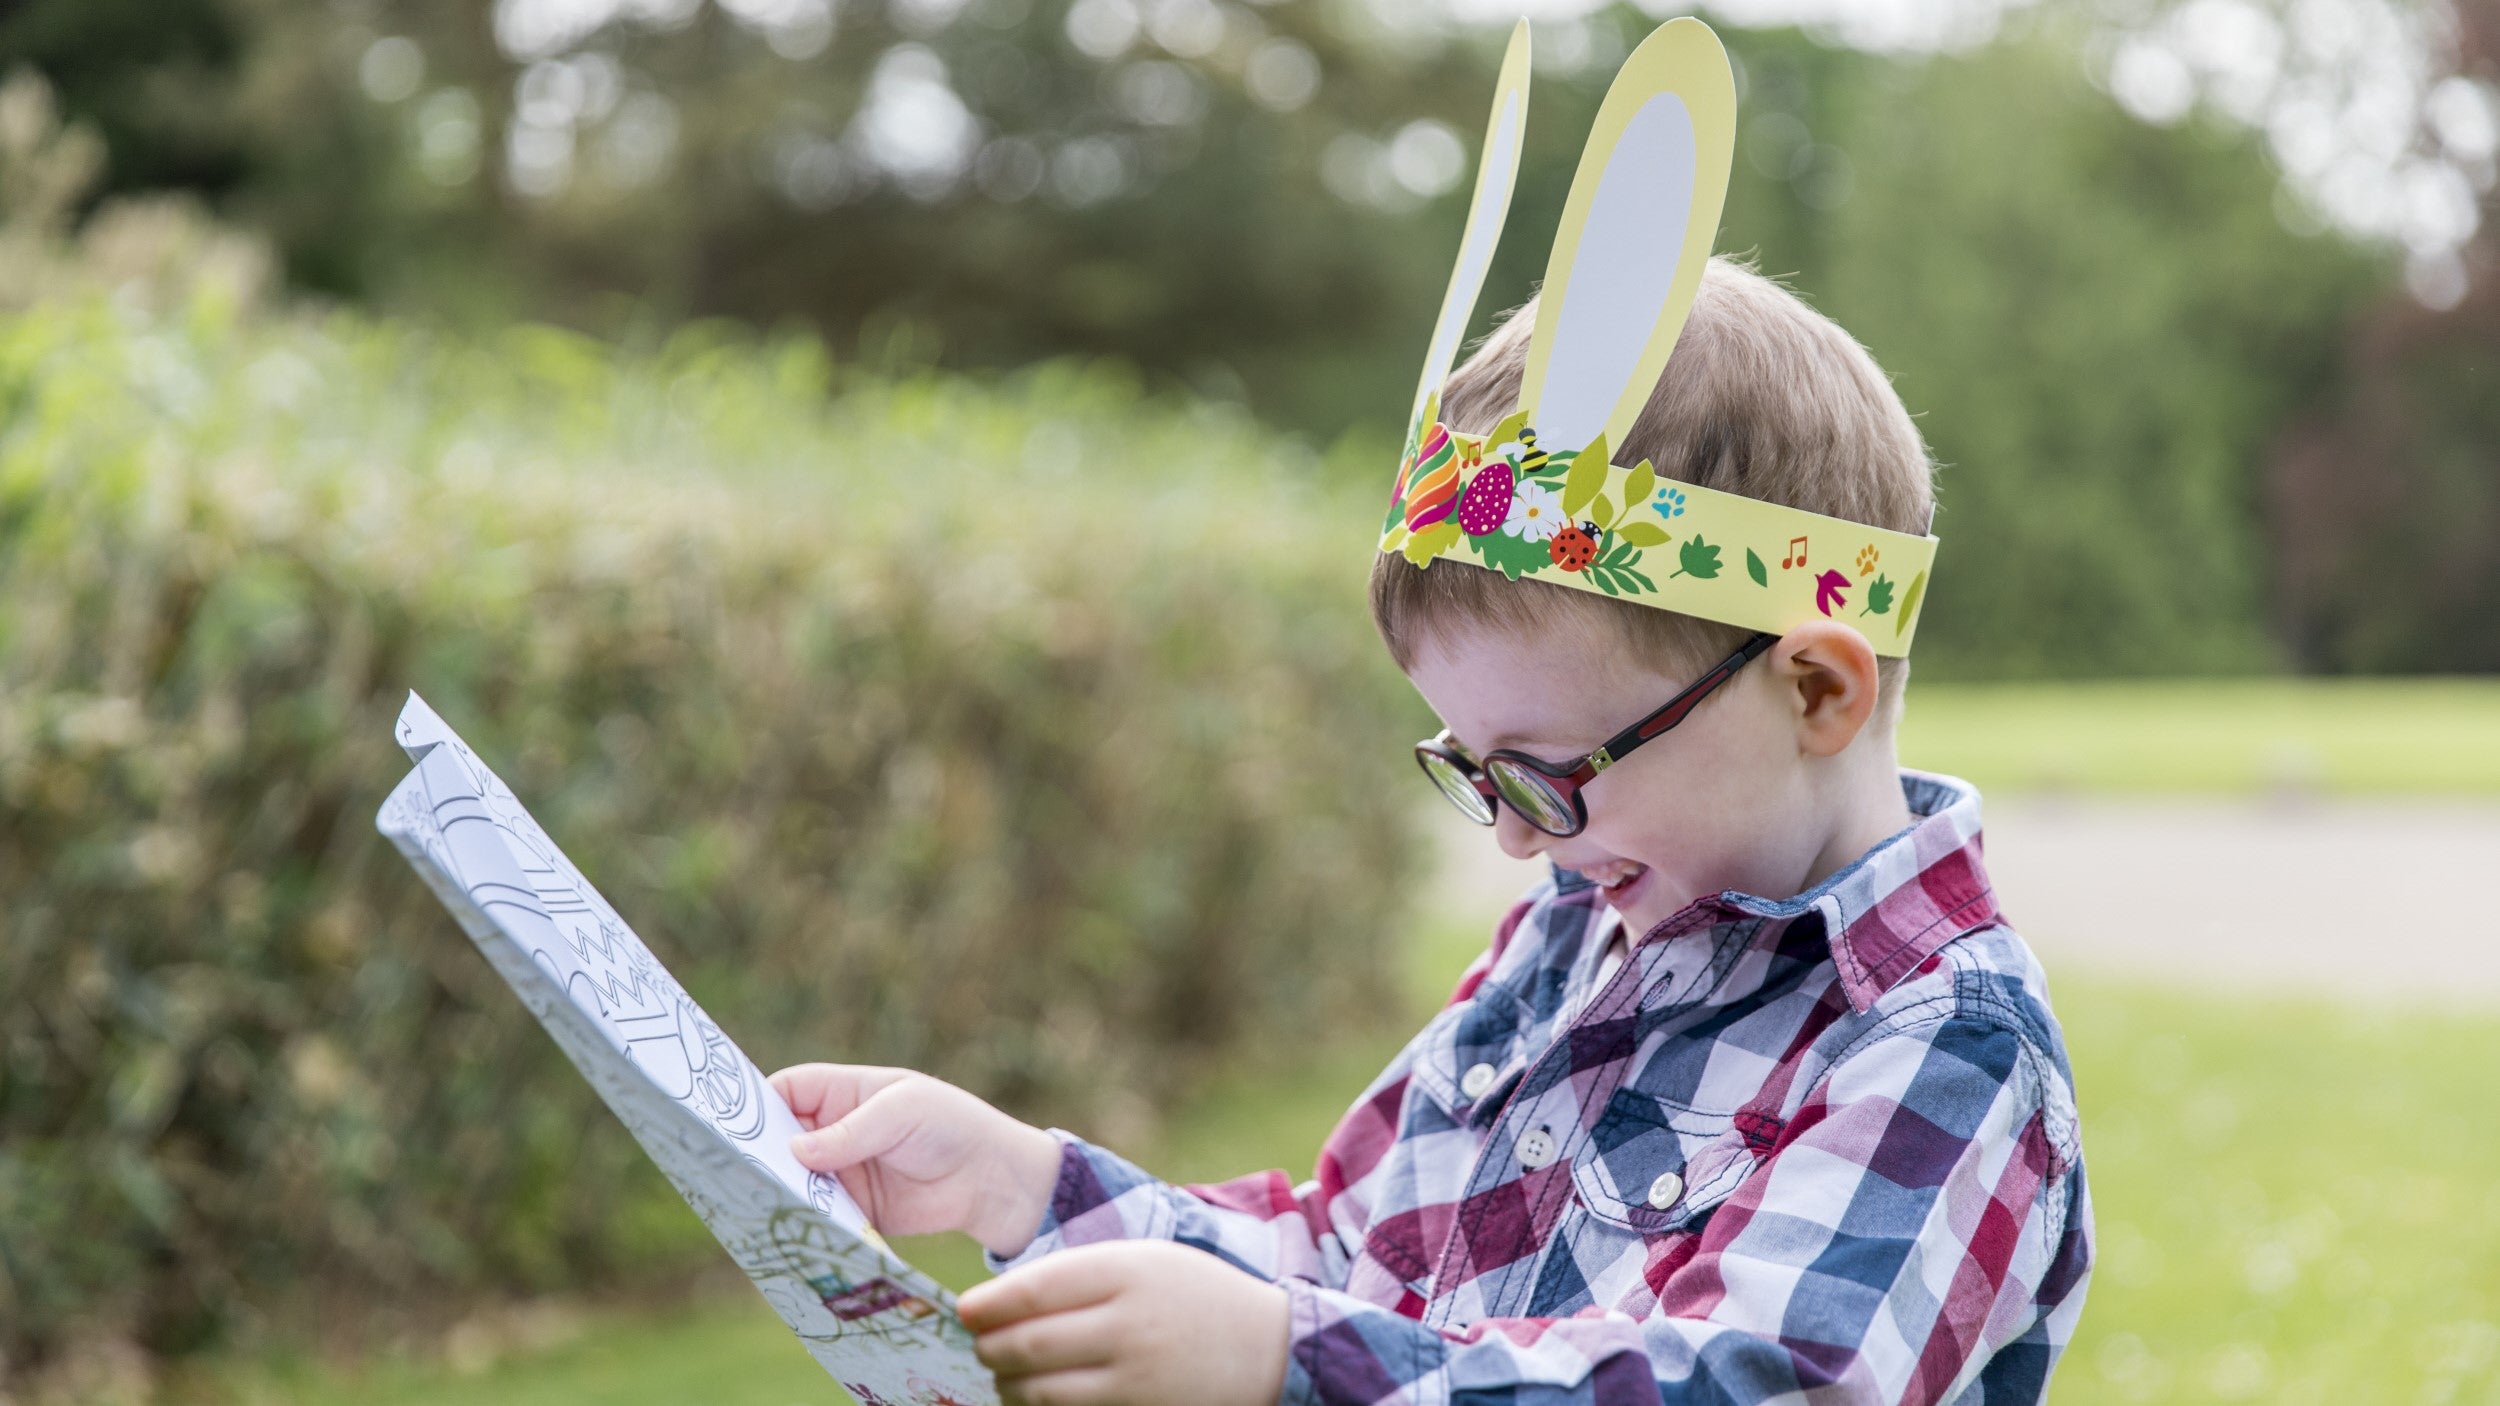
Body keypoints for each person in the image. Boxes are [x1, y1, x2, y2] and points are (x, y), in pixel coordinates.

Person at [773, 20, 2091, 1404]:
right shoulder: (1574, 934)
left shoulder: (1943, 1042)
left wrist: (1284, 1367)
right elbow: (1348, 1256)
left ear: (1816, 686)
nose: (1518, 842)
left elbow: (1749, 1382)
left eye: (1544, 773)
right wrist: (1023, 1182)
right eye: (1477, 773)